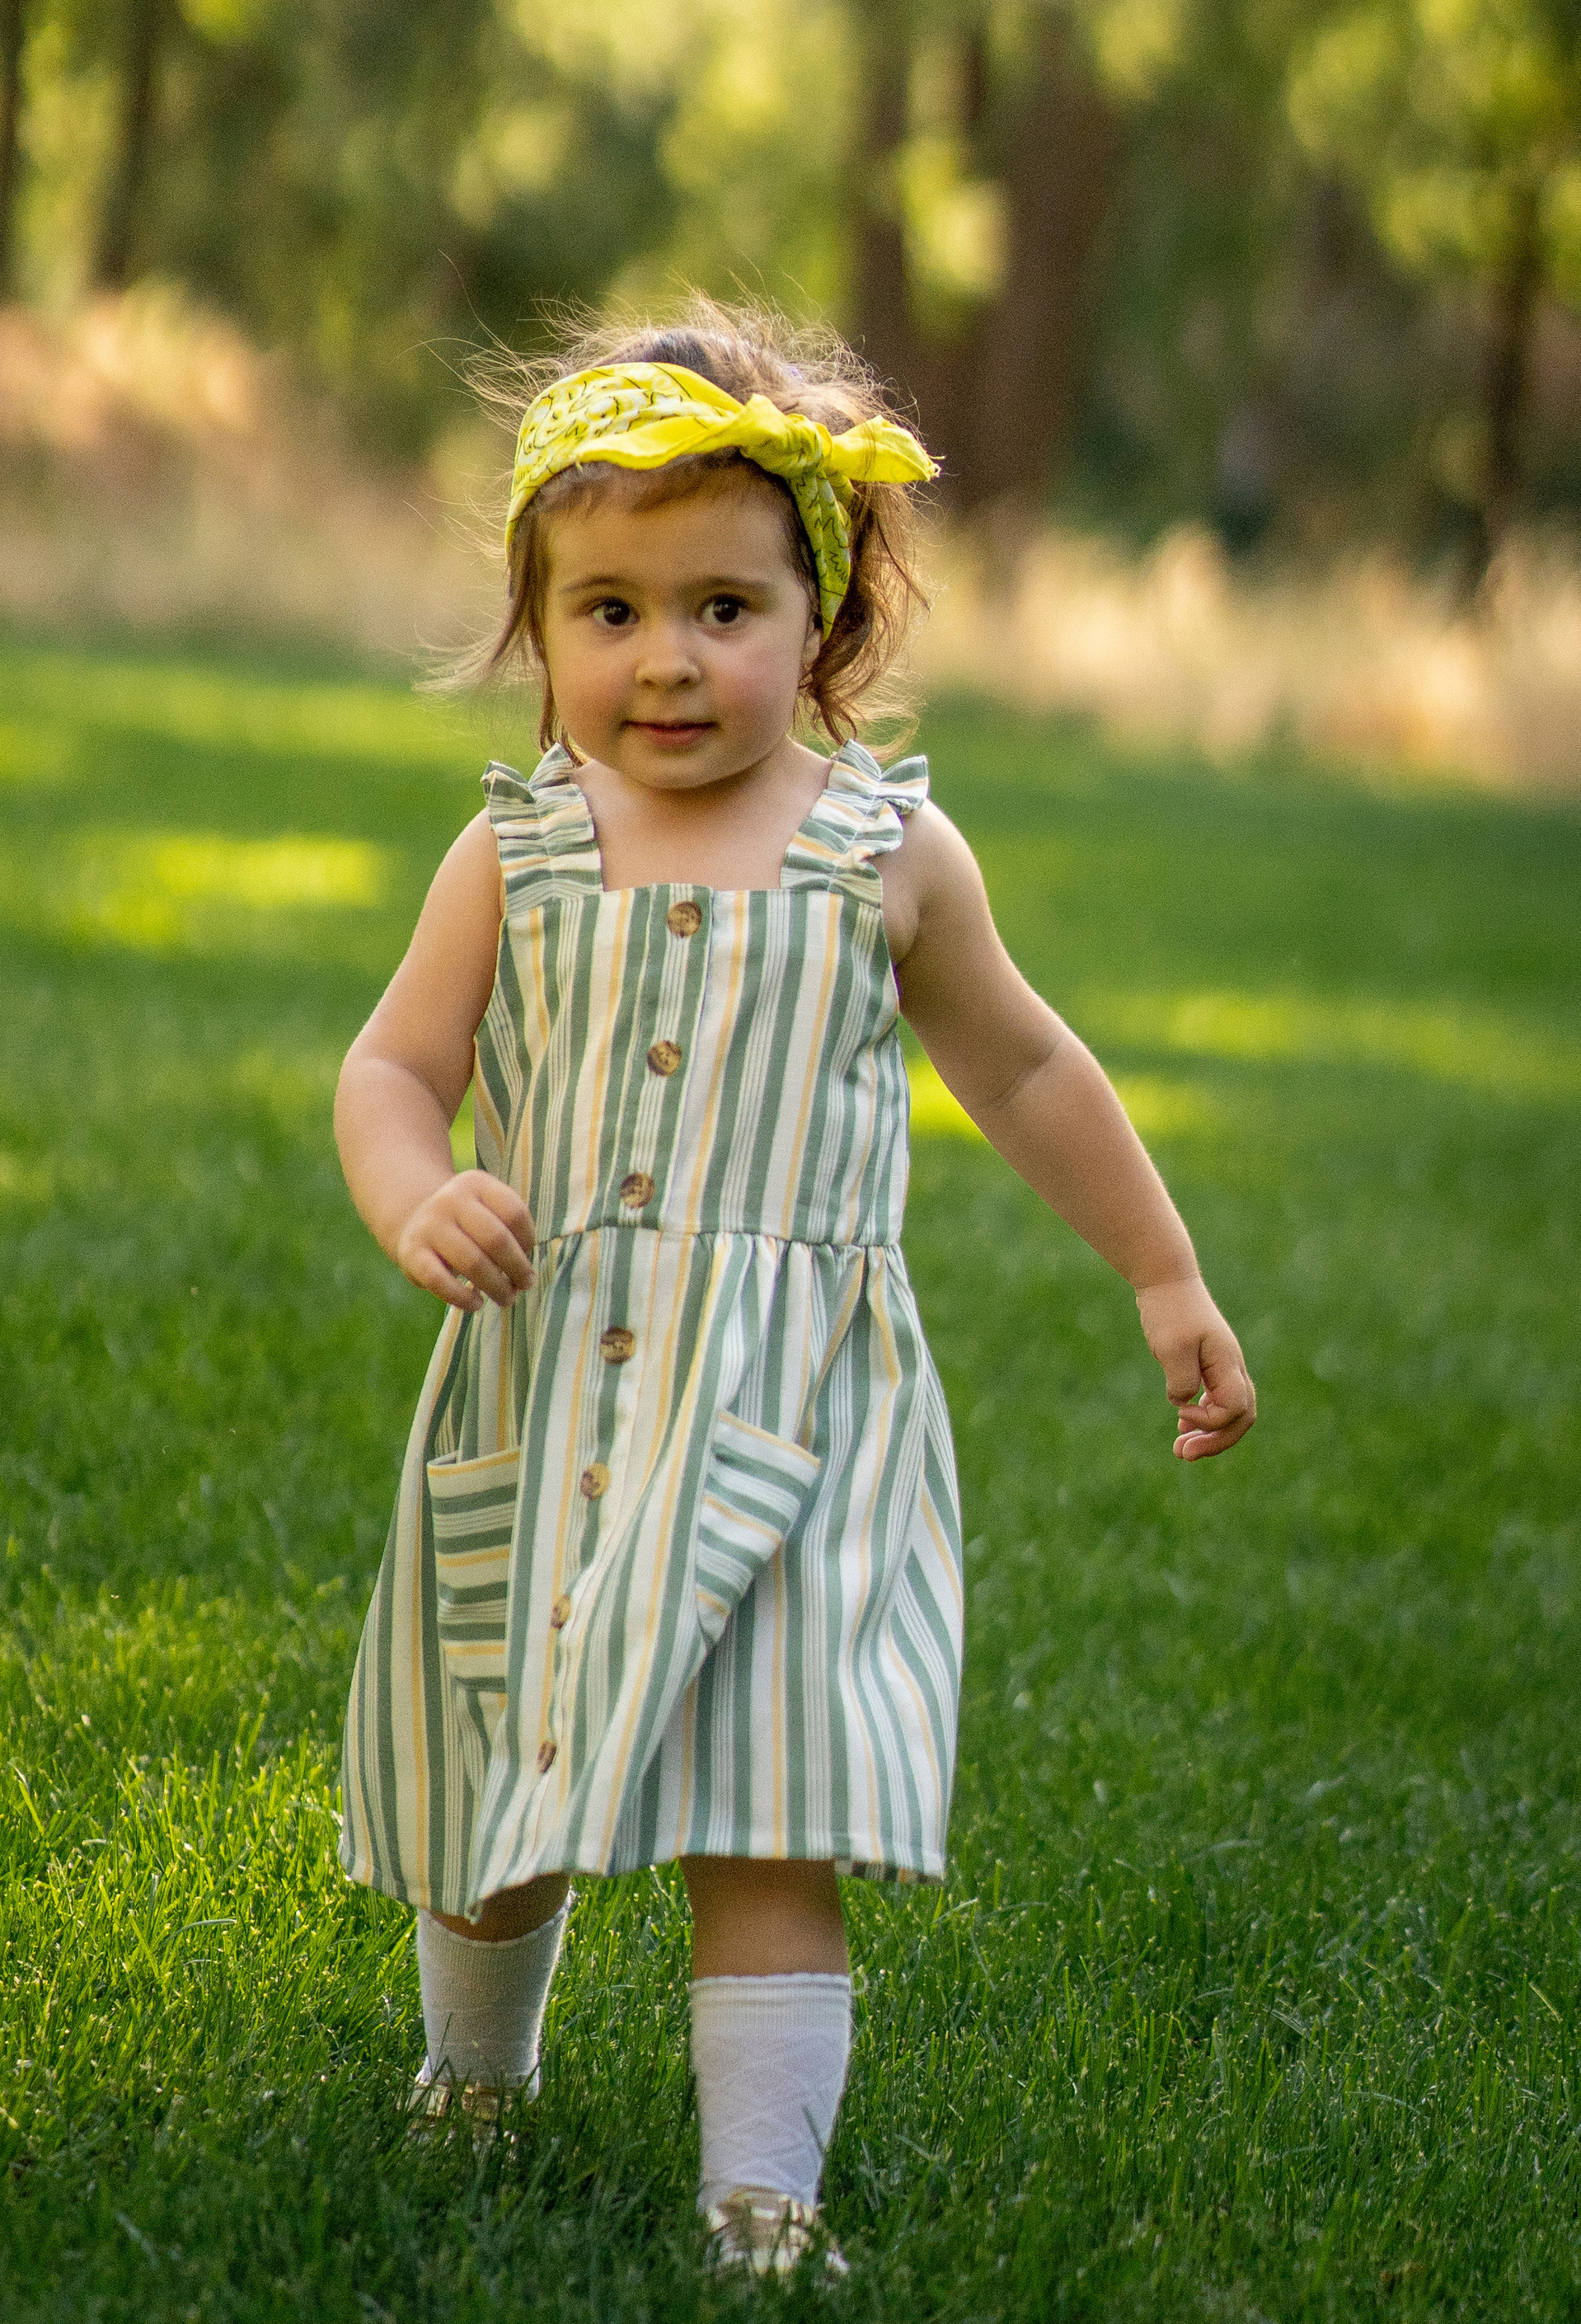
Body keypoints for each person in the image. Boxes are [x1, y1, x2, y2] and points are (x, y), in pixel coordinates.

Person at [334, 305, 1256, 2275]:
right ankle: (466, 2088)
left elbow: (1020, 1066)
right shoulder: (514, 850)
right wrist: (413, 1190)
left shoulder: (884, 852)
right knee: (508, 1764)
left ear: (816, 618)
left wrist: (1159, 1274)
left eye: (722, 608)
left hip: (794, 1418)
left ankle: (761, 2201)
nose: (662, 657)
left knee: (771, 1806)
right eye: (606, 609)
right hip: (555, 1390)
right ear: (537, 625)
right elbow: (393, 1068)